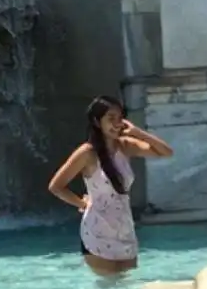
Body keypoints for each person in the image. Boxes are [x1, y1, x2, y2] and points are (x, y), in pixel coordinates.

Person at [48, 95, 173, 276]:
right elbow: (56, 186)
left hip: (125, 229)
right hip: (97, 230)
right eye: (111, 118)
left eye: (120, 117)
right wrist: (83, 204)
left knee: (127, 287)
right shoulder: (87, 153)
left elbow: (166, 152)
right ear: (97, 122)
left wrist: (137, 132)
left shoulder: (126, 146)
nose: (117, 123)